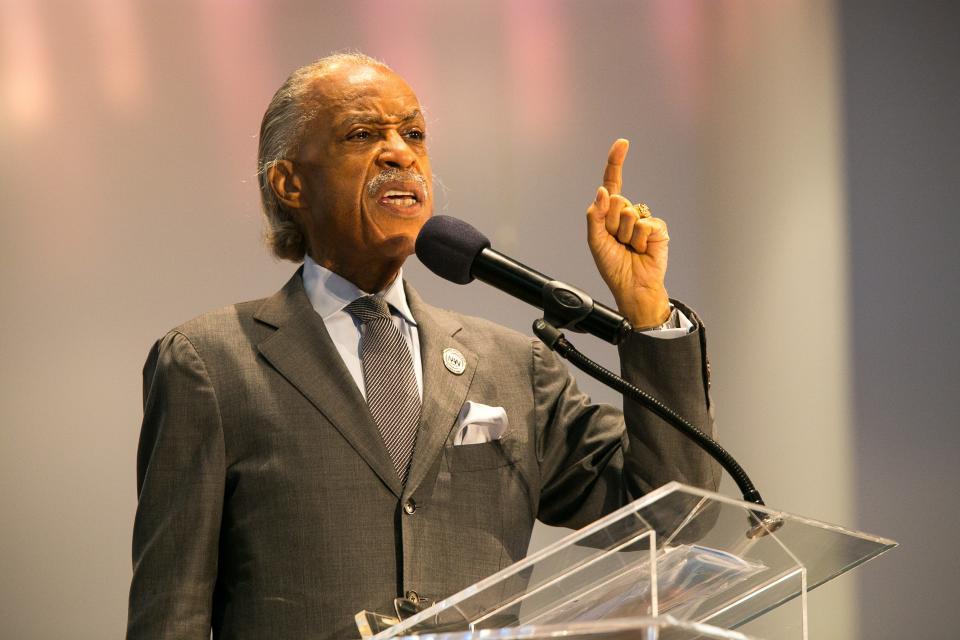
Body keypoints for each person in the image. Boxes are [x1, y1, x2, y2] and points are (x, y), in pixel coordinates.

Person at [126, 53, 720, 640]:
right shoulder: (210, 363)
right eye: (363, 134)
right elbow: (169, 615)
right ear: (289, 183)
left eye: (413, 133)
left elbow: (670, 513)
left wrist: (647, 312)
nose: (399, 153)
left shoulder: (513, 367)